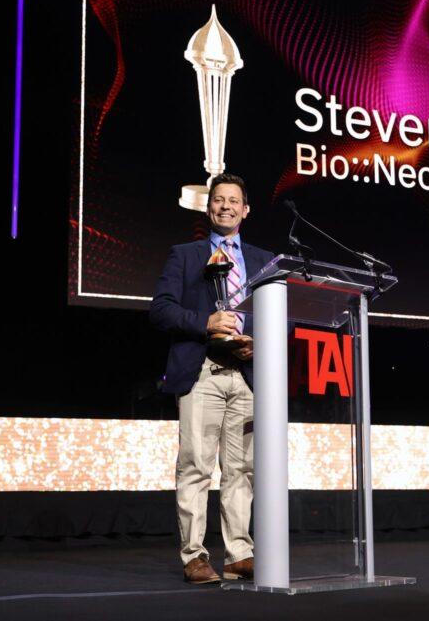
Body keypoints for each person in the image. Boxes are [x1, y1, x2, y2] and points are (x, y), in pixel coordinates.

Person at [149, 173, 274, 584]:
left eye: (233, 200)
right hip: (202, 371)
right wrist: (205, 322)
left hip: (248, 375)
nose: (226, 206)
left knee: (242, 469)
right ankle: (194, 556)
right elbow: (161, 310)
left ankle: (239, 553)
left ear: (246, 209)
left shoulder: (263, 261)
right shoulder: (185, 255)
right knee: (196, 467)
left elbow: (282, 316)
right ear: (209, 208)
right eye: (218, 200)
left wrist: (262, 340)